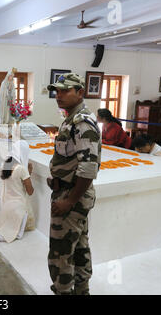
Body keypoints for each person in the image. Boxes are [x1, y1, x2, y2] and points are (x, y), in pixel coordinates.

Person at [46, 73, 102, 295]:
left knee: (61, 253)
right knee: (78, 247)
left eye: (65, 90)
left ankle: (64, 290)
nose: (58, 95)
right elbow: (73, 159)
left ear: (80, 92)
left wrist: (69, 201)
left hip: (73, 197)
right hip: (70, 192)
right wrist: (58, 179)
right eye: (57, 91)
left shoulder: (82, 123)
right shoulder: (71, 119)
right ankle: (81, 290)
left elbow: (88, 168)